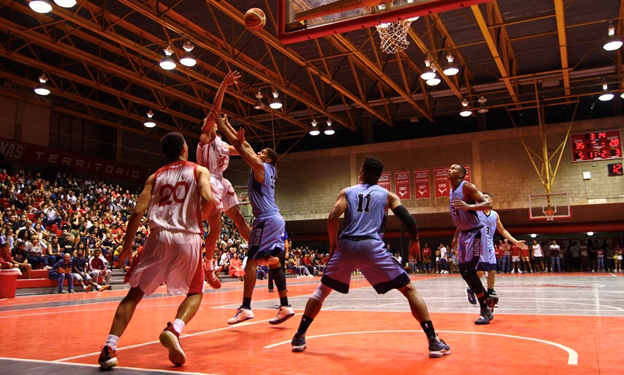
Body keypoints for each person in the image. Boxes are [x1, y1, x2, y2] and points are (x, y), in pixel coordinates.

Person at [290, 156, 449, 357]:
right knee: (408, 289)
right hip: (372, 246)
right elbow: (408, 219)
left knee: (322, 290)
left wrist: (333, 245)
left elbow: (332, 217)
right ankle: (433, 340)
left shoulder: (347, 192)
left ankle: (299, 336)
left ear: (362, 173)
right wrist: (415, 239)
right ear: (378, 177)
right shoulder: (388, 195)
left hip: (346, 245)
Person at [98, 132, 214, 370]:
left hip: (158, 236)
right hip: (188, 237)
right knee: (195, 292)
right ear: (184, 148)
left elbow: (137, 212)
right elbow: (207, 198)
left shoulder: (155, 176)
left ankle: (109, 348)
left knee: (134, 294)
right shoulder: (199, 171)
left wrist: (127, 246)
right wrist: (200, 216)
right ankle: (175, 329)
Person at [212, 113, 294, 325]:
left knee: (251, 261)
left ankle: (246, 307)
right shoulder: (267, 167)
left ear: (267, 159)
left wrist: (221, 125)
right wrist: (229, 126)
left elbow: (242, 150)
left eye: (262, 152)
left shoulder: (261, 168)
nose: (257, 152)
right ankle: (285, 305)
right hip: (275, 219)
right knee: (275, 261)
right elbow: (244, 146)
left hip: (266, 219)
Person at [197, 71, 251, 289]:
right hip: (207, 181)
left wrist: (238, 140)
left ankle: (259, 249)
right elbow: (214, 111)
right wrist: (224, 85)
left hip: (221, 181)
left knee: (237, 219)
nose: (211, 120)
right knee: (212, 227)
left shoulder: (220, 141)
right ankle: (206, 265)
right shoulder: (205, 136)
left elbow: (243, 151)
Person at [447, 164, 497, 325]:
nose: (449, 169)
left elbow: (487, 204)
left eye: (453, 168)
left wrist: (469, 206)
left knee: (470, 271)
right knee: (463, 272)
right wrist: (456, 235)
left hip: (475, 233)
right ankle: (488, 298)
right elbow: (460, 215)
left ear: (461, 174)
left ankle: (485, 309)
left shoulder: (467, 187)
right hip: (463, 234)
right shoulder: (451, 191)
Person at [466, 192, 528, 305]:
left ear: (491, 200)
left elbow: (502, 230)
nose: (483, 199)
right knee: (479, 273)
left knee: (492, 271)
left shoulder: (495, 215)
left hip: (489, 245)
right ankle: (471, 289)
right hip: (477, 244)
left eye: (486, 197)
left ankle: (490, 293)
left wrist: (515, 241)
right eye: (482, 198)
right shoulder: (476, 213)